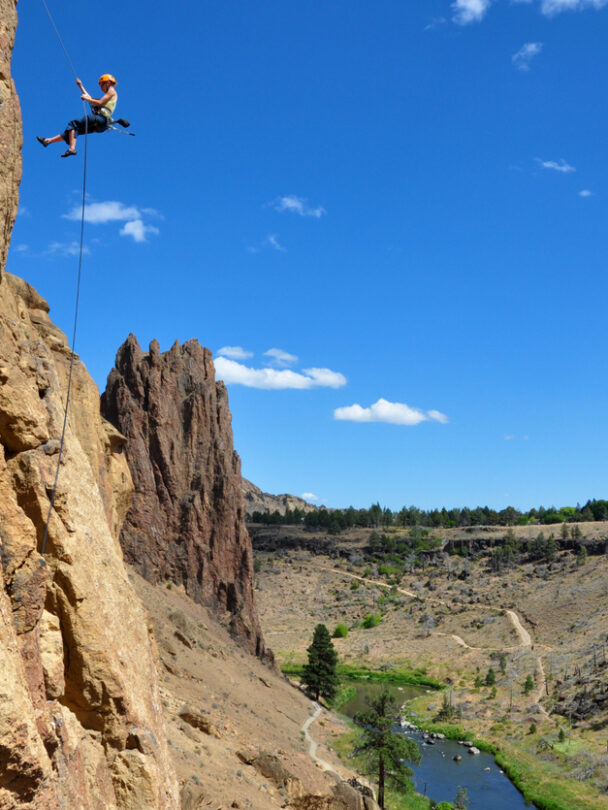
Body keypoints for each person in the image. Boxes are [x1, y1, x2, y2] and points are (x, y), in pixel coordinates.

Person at [37, 74, 118, 157]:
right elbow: (91, 99)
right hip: (101, 125)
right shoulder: (109, 94)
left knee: (72, 124)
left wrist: (86, 99)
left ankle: (72, 149)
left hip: (100, 118)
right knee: (72, 131)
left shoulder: (111, 91)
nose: (101, 88)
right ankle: (47, 141)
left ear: (108, 83)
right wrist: (80, 86)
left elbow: (99, 103)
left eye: (102, 85)